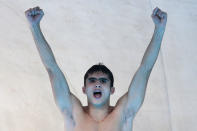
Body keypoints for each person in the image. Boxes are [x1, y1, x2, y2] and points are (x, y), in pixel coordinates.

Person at [25, 6, 167, 131]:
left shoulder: (123, 114)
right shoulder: (73, 113)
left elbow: (145, 69)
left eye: (103, 81)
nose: (98, 83)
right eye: (92, 80)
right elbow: (52, 69)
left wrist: (159, 30)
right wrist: (34, 27)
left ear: (112, 90)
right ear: (84, 89)